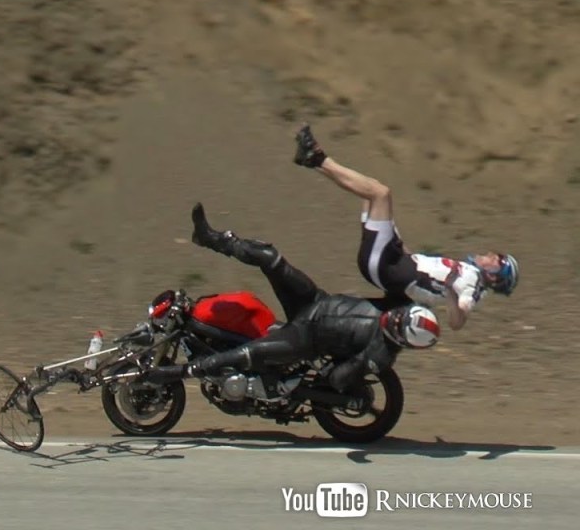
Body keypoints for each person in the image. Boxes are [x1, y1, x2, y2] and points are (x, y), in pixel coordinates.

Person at [144, 203, 442, 396]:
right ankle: (209, 238)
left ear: (403, 340)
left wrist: (356, 367)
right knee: (271, 257)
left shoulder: (381, 355)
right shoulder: (403, 303)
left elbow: (338, 380)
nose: (395, 318)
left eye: (399, 326)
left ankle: (176, 373)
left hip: (305, 339)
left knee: (246, 354)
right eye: (402, 315)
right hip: (314, 302)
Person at [291, 123, 519, 330]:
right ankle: (313, 161)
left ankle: (317, 157)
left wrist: (452, 294)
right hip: (395, 260)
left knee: (380, 194)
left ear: (495, 278)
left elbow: (456, 322)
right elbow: (425, 272)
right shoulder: (469, 275)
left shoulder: (471, 283)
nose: (491, 254)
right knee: (370, 194)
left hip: (388, 268)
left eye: (497, 259)